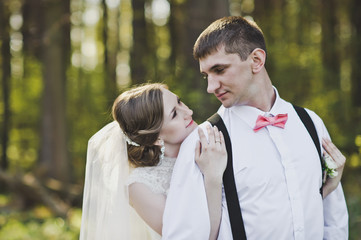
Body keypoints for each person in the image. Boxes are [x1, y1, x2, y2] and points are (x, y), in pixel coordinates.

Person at [162, 16, 348, 239]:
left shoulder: (311, 123)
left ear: (257, 60)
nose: (211, 87)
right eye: (206, 75)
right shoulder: (203, 142)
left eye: (219, 70)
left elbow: (333, 217)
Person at [79, 83, 227, 240]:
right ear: (155, 137)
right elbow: (194, 236)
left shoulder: (209, 144)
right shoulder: (139, 186)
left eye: (180, 101)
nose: (188, 111)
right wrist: (213, 177)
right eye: (174, 114)